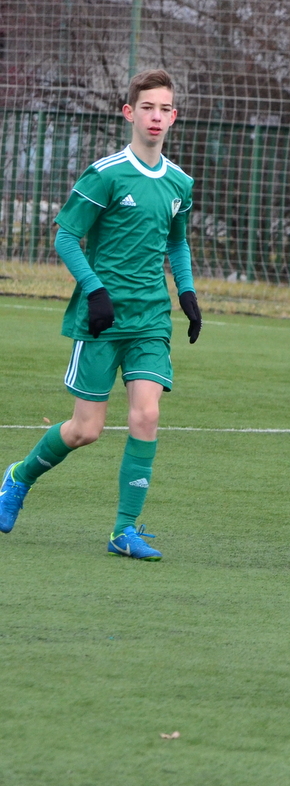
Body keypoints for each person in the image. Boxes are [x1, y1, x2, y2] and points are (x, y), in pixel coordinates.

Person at [0, 69, 202, 560]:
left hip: (151, 318)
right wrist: (94, 291)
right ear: (129, 113)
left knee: (147, 413)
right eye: (147, 108)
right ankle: (17, 477)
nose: (156, 117)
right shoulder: (106, 173)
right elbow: (66, 237)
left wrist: (188, 294)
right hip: (102, 319)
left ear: (174, 117)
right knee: (84, 430)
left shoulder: (180, 182)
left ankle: (123, 530)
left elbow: (177, 241)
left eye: (165, 109)